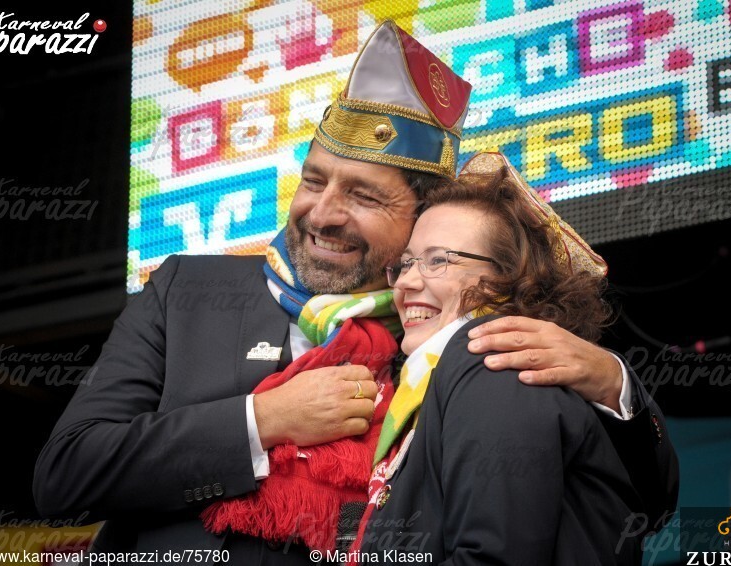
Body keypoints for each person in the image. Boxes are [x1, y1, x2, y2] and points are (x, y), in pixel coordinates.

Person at [33, 21, 676, 565]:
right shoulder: (189, 292)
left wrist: (613, 384)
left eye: (364, 196)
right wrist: (265, 419)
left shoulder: (448, 337)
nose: (323, 213)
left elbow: (644, 506)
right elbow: (66, 475)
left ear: (422, 216)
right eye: (314, 181)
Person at [352, 152, 667, 565]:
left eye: (437, 260)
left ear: (511, 277)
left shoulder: (495, 360)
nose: (406, 282)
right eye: (407, 262)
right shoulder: (426, 389)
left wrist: (614, 379)